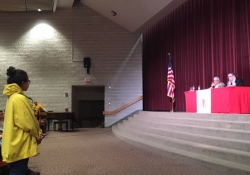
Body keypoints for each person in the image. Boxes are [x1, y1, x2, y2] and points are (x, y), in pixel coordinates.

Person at [2, 66, 42, 175]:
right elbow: (27, 122)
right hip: (19, 142)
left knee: (21, 167)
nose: (28, 83)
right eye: (28, 81)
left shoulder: (12, 97)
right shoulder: (19, 98)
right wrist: (37, 134)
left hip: (14, 140)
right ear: (22, 82)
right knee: (17, 170)